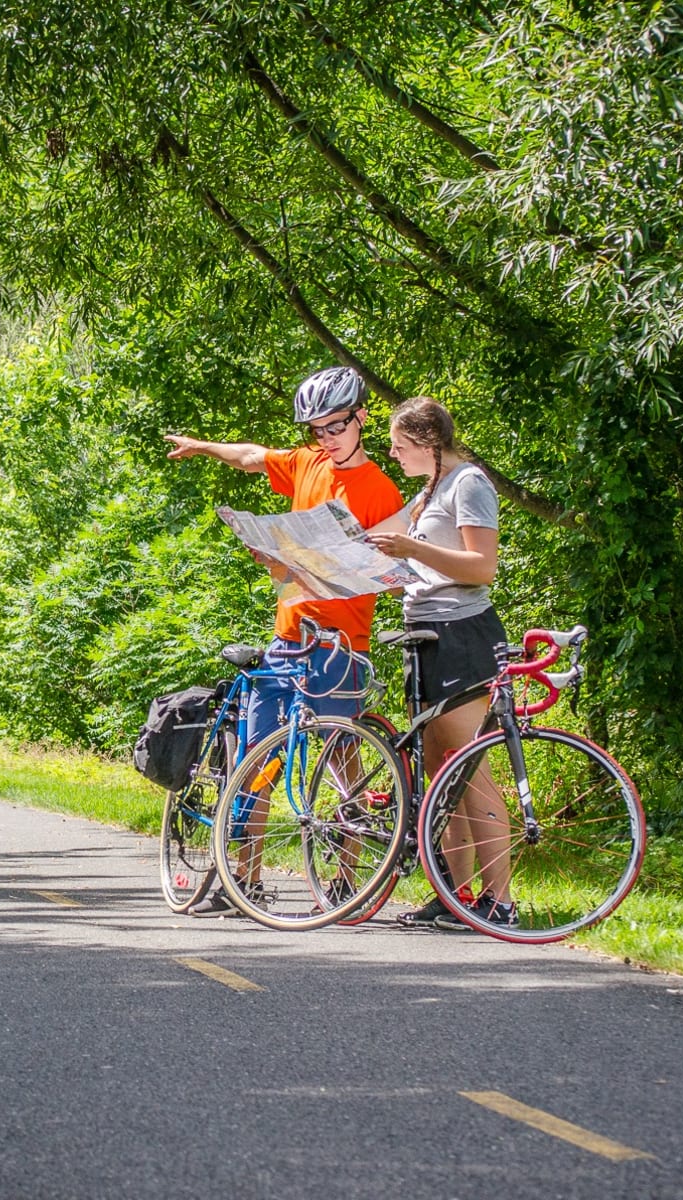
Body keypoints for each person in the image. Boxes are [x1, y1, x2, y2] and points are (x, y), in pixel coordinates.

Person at [166, 366, 403, 916]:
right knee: (256, 760)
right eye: (317, 429)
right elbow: (254, 455)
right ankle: (240, 883)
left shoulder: (381, 490)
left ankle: (347, 884)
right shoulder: (307, 464)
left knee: (345, 760)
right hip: (288, 639)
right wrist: (203, 447)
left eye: (337, 426)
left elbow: (391, 569)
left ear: (361, 418)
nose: (327, 438)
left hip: (342, 645)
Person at [364, 397, 516, 931]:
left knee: (470, 771)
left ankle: (501, 900)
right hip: (424, 634)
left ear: (429, 443)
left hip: (461, 634)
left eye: (400, 445)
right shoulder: (428, 491)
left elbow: (482, 567)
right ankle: (455, 894)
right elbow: (423, 559)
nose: (393, 453)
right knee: (440, 776)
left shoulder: (468, 483)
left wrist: (413, 548)